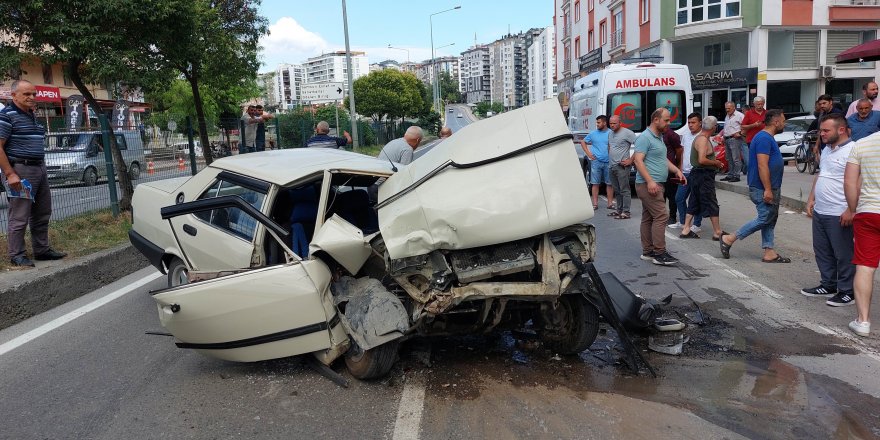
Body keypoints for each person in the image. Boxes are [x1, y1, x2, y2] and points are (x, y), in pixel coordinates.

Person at [0, 80, 66, 267]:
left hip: (39, 168)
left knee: (42, 212)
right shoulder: (6, 116)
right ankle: (17, 255)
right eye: (26, 94)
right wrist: (10, 174)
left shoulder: (32, 115)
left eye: (33, 94)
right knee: (20, 215)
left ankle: (42, 250)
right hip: (21, 170)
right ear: (13, 95)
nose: (31, 97)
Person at [720, 110, 790, 263]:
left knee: (770, 219)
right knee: (765, 218)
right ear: (776, 122)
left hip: (770, 186)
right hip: (763, 187)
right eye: (783, 121)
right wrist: (768, 189)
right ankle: (729, 238)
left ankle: (769, 252)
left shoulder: (767, 137)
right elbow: (762, 165)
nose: (784, 124)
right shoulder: (764, 138)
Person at [802, 114, 856, 306]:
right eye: (821, 131)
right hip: (821, 210)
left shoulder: (853, 151)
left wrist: (851, 210)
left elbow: (859, 183)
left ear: (841, 130)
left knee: (843, 253)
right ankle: (828, 284)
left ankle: (847, 291)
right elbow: (820, 174)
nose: (821, 134)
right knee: (822, 250)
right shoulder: (826, 150)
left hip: (839, 211)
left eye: (826, 131)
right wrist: (811, 198)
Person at [633, 108, 686, 266]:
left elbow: (663, 159)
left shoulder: (659, 137)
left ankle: (648, 251)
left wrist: (677, 170)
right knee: (662, 216)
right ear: (656, 120)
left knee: (648, 217)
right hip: (649, 184)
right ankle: (659, 253)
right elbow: (638, 160)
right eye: (666, 120)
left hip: (656, 183)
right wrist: (650, 181)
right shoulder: (645, 137)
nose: (669, 123)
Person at [844, 130, 880, 337]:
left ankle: (863, 321)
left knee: (865, 266)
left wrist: (854, 208)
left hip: (869, 212)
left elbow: (849, 182)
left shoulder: (863, 144)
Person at [679, 116, 725, 241]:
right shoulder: (703, 140)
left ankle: (686, 229)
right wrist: (715, 163)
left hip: (697, 175)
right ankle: (717, 232)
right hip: (703, 175)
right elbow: (701, 159)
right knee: (711, 202)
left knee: (694, 201)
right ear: (714, 127)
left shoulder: (700, 138)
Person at [673, 113, 704, 233]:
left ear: (700, 123)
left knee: (696, 198)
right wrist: (680, 168)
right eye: (689, 122)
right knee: (679, 198)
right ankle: (683, 222)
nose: (690, 125)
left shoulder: (703, 136)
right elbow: (682, 153)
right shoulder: (685, 136)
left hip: (697, 172)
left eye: (693, 122)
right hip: (685, 172)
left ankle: (696, 224)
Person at [579, 115, 614, 210]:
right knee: (595, 183)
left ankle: (610, 204)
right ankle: (595, 204)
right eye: (597, 122)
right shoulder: (593, 133)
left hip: (608, 162)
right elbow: (583, 142)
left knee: (609, 183)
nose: (597, 124)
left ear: (604, 123)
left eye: (599, 122)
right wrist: (589, 154)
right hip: (596, 162)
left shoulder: (611, 133)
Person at [607, 115, 636, 219]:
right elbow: (610, 146)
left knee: (625, 190)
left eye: (614, 123)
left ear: (620, 123)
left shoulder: (628, 133)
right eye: (610, 123)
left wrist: (630, 160)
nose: (612, 125)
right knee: (617, 190)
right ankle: (619, 210)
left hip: (622, 166)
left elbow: (640, 146)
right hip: (612, 166)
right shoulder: (610, 133)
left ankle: (626, 211)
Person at [740, 96, 767, 174]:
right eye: (758, 104)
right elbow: (742, 126)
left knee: (763, 159)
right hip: (752, 140)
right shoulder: (749, 113)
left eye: (761, 104)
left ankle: (763, 173)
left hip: (765, 140)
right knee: (754, 159)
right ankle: (754, 175)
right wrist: (753, 125)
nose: (760, 106)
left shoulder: (767, 113)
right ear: (754, 104)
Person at [663, 126, 684, 227]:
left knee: (671, 195)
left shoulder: (671, 134)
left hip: (670, 168)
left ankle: (672, 216)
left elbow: (679, 150)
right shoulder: (656, 134)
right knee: (660, 195)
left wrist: (678, 166)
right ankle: (661, 215)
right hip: (659, 169)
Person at [721, 101, 745, 182]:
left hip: (735, 139)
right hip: (727, 138)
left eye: (729, 108)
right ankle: (730, 174)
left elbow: (745, 126)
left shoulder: (740, 115)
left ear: (734, 107)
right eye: (726, 108)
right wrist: (723, 136)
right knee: (729, 158)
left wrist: (740, 133)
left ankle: (736, 175)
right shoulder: (727, 116)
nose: (727, 110)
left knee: (736, 158)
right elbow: (726, 127)